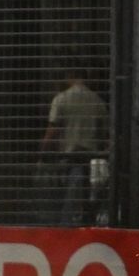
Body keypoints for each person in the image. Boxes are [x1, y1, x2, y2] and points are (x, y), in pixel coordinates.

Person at [39, 68, 107, 226]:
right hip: (89, 158)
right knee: (87, 196)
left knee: (66, 197)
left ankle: (64, 227)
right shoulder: (97, 101)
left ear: (69, 76)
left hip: (68, 156)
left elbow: (53, 130)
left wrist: (42, 152)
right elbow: (104, 135)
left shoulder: (61, 98)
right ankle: (87, 224)